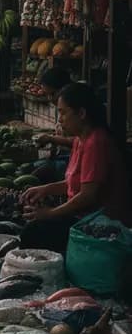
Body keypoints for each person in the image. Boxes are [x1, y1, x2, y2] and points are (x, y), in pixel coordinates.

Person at [20, 83, 129, 252]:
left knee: (33, 232)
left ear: (81, 113)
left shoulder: (96, 142)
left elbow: (88, 196)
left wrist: (50, 213)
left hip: (99, 223)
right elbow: (74, 183)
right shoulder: (80, 140)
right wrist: (45, 189)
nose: (60, 119)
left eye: (63, 112)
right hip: (83, 216)